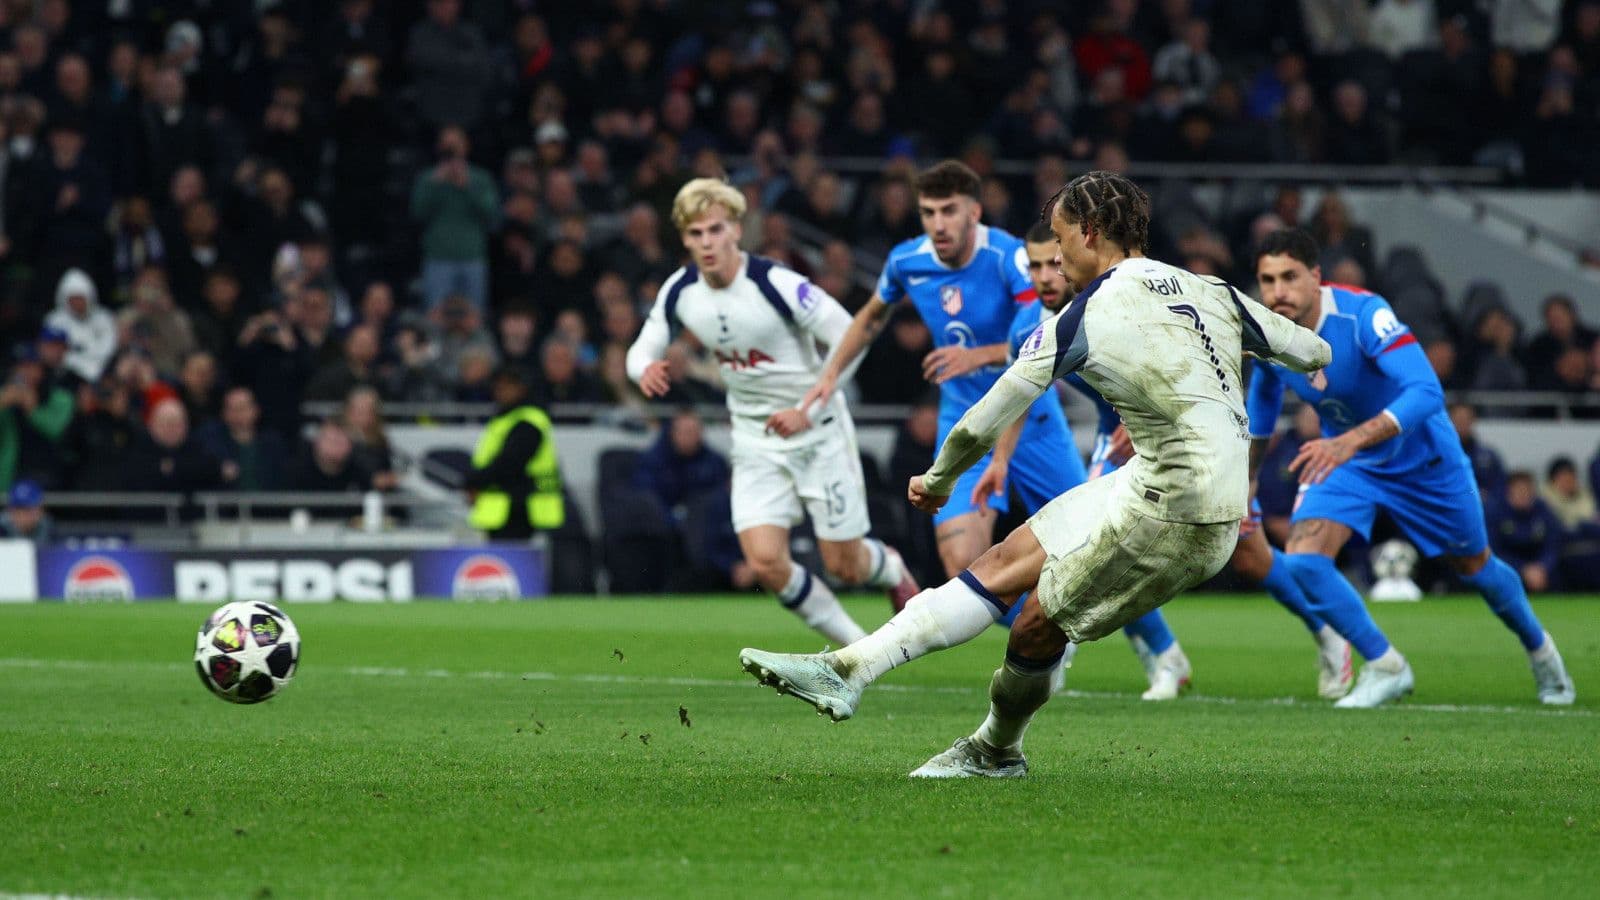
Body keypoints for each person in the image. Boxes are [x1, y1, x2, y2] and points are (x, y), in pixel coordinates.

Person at [740, 171, 1332, 777]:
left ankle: (997, 751)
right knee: (1003, 562)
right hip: (1164, 481)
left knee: (1033, 629)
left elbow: (980, 423)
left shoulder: (1081, 319)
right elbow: (1313, 352)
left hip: (1177, 510)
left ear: (1088, 233)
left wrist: (940, 481)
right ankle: (847, 670)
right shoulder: (1212, 290)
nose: (1050, 261)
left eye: (1058, 241)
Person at [1248, 228, 1574, 707]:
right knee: (1303, 559)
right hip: (1349, 459)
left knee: (1474, 566)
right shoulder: (1271, 333)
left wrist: (1348, 442)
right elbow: (1263, 400)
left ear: (1316, 277)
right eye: (1267, 280)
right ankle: (1385, 665)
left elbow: (1426, 392)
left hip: (1423, 459)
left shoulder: (1363, 315)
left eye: (1290, 277)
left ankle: (1542, 653)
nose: (1278, 292)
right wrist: (1248, 479)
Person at [626, 178, 918, 646]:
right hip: (755, 439)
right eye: (696, 234)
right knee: (764, 560)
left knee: (845, 564)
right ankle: (856, 648)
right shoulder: (681, 290)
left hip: (818, 431)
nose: (707, 243)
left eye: (716, 230)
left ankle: (889, 565)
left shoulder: (775, 282)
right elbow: (641, 348)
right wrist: (643, 369)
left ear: (736, 230)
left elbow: (851, 333)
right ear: (684, 238)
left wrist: (812, 402)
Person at [795, 161, 1076, 589]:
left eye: (949, 210)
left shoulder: (1009, 257)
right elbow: (871, 317)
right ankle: (1047, 635)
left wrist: (978, 355)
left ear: (974, 213)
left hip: (1031, 416)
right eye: (929, 212)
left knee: (1090, 544)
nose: (938, 223)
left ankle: (1162, 653)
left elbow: (1042, 327)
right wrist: (830, 374)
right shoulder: (907, 261)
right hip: (965, 417)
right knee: (962, 564)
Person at [970, 221, 1195, 701]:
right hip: (1111, 440)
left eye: (1053, 263)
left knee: (1102, 548)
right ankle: (1158, 655)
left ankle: (1126, 652)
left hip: (1168, 437)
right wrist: (1001, 463)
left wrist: (1154, 416)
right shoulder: (1026, 328)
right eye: (1032, 265)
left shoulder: (1114, 306)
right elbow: (1023, 397)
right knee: (1100, 550)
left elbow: (1183, 354)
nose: (1043, 276)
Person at [463, 367, 563, 541]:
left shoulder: (529, 421)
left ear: (521, 387)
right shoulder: (505, 419)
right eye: (498, 387)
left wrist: (474, 481)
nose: (500, 392)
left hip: (521, 512)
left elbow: (509, 464)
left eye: (506, 386)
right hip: (504, 512)